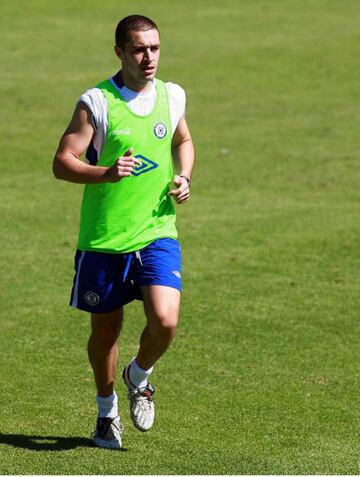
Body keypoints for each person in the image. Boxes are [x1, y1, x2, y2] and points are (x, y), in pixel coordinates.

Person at [52, 14, 195, 450]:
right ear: (120, 52)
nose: (148, 56)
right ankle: (105, 410)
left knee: (166, 321)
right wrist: (106, 172)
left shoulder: (172, 96)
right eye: (138, 48)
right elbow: (63, 161)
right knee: (105, 333)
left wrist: (185, 176)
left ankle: (140, 375)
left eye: (153, 47)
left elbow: (182, 140)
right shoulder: (97, 102)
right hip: (104, 239)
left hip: (156, 230)